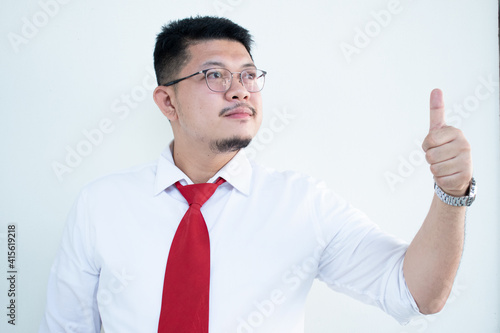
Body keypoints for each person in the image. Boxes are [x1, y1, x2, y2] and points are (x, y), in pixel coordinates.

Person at [39, 16, 475, 333]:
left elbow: (415, 293)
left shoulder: (302, 203)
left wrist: (450, 194)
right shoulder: (101, 205)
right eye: (214, 75)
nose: (240, 89)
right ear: (167, 102)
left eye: (249, 75)